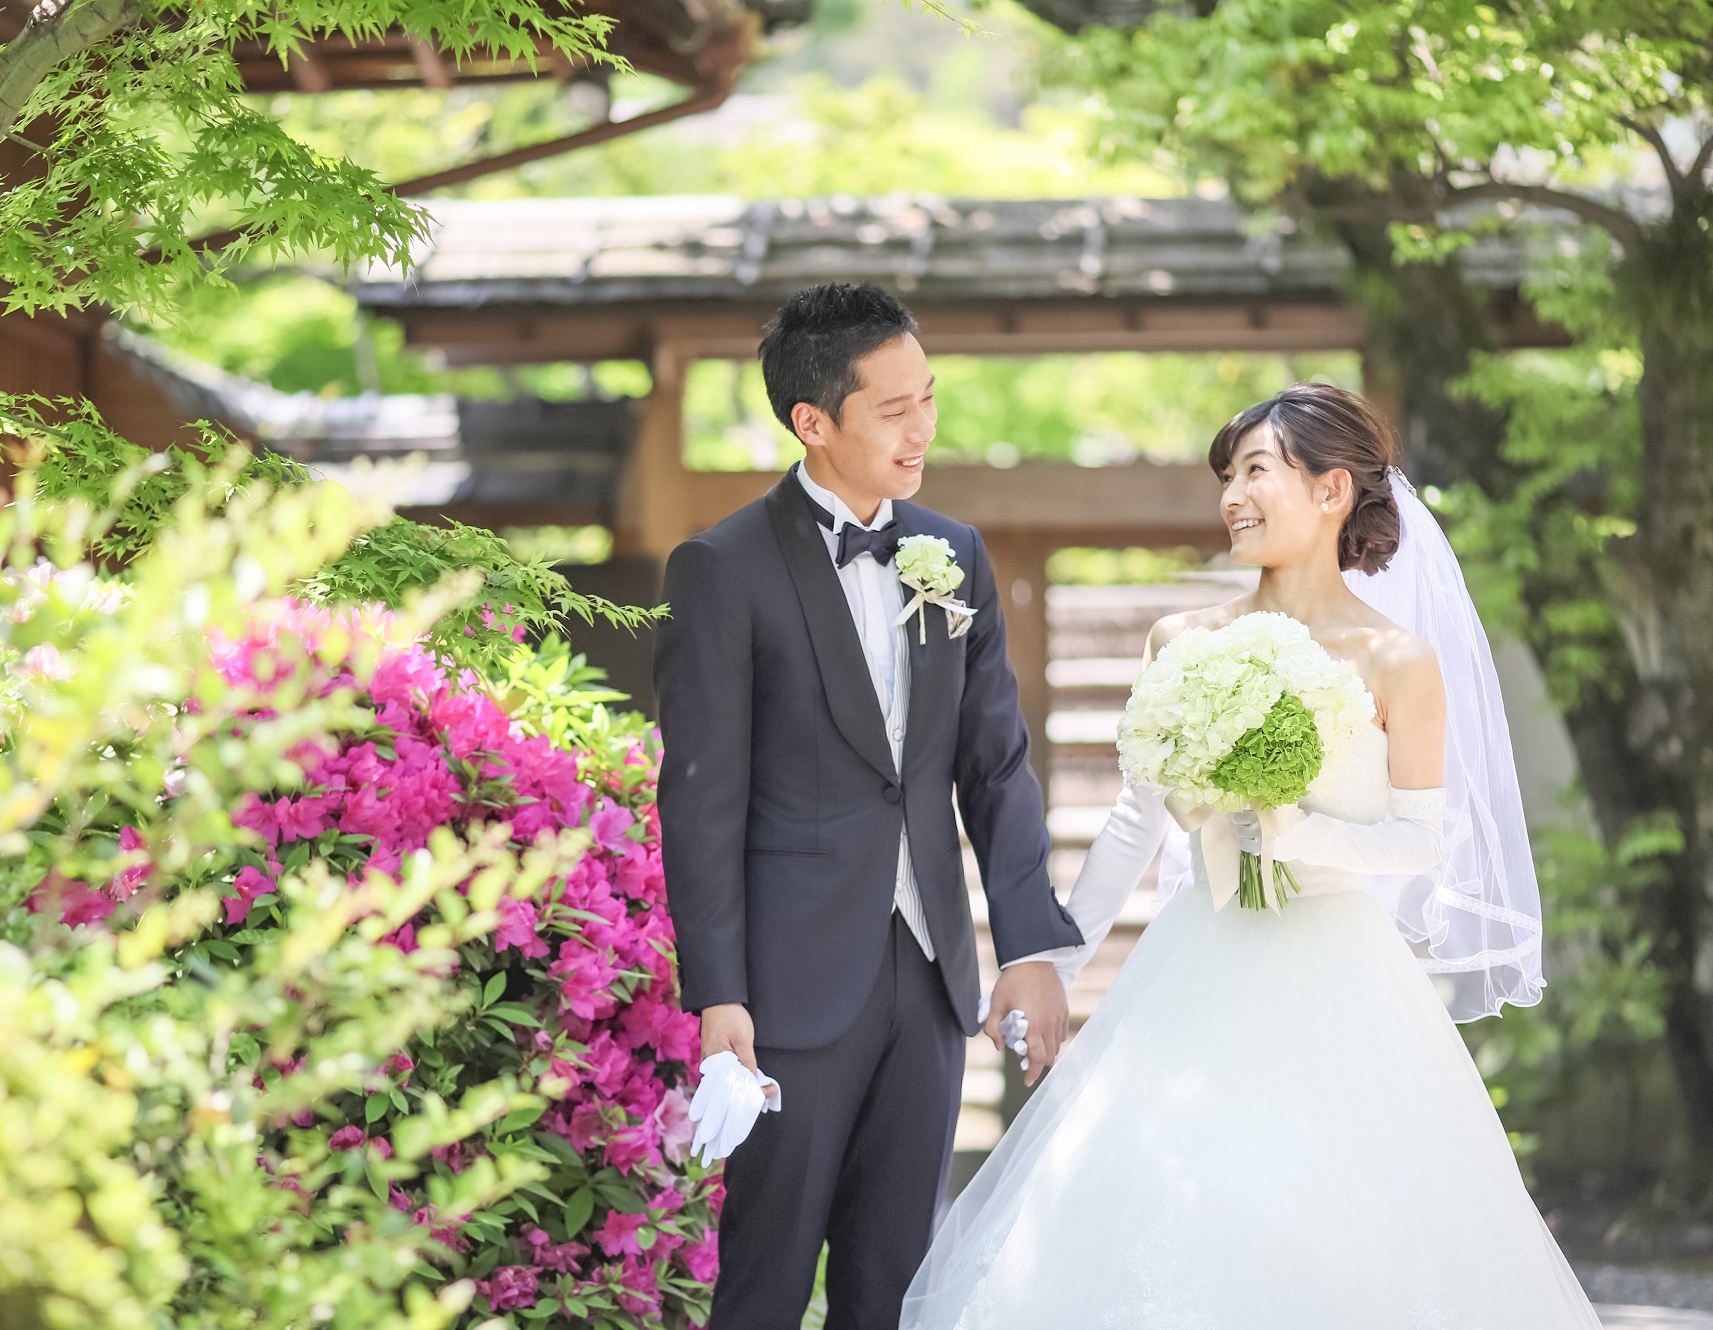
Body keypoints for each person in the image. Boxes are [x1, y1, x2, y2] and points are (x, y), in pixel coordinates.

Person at [900, 382, 1596, 1328]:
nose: (1233, 496)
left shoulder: (1398, 660)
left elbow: (1420, 839)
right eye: (1228, 476)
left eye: (1258, 471)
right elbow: (1135, 825)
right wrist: (1057, 964)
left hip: (1341, 977)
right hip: (1198, 960)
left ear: (1333, 490)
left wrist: (1298, 830)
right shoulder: (1183, 641)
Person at [656, 281, 1084, 1328]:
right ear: (813, 421)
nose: (921, 427)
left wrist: (1029, 946)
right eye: (893, 409)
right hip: (787, 989)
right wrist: (719, 994)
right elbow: (700, 800)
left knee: (896, 1285)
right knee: (763, 1284)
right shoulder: (720, 569)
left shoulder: (954, 556)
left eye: (927, 398)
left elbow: (994, 767)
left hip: (927, 979)